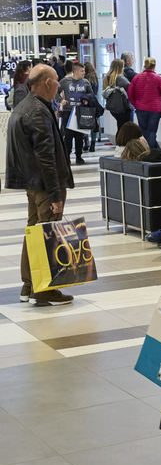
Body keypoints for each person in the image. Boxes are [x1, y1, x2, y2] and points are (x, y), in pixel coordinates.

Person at [5, 64, 74, 307]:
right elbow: (46, 156)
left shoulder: (24, 106)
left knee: (34, 230)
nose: (59, 85)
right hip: (44, 185)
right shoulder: (38, 111)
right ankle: (45, 288)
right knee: (47, 233)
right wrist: (55, 193)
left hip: (32, 183)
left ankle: (29, 284)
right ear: (46, 82)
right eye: (56, 80)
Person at [127, 58, 161, 149]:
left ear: (144, 65)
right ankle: (151, 151)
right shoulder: (158, 78)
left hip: (140, 108)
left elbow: (130, 92)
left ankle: (145, 150)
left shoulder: (137, 77)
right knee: (152, 131)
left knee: (143, 131)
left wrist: (135, 103)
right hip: (155, 109)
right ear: (154, 66)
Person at [58, 62, 94, 165]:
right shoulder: (65, 81)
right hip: (68, 112)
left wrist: (87, 100)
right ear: (75, 72)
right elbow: (56, 91)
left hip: (81, 111)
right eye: (82, 71)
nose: (84, 73)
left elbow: (91, 94)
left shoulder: (86, 82)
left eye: (84, 71)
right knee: (68, 136)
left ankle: (79, 156)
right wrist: (61, 100)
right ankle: (67, 156)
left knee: (80, 136)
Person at [103, 59, 132, 131]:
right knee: (126, 128)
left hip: (113, 107)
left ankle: (119, 141)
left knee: (120, 126)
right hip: (123, 106)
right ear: (119, 67)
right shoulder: (120, 78)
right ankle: (123, 142)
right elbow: (131, 86)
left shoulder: (108, 77)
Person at [83, 61, 99, 153]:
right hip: (94, 102)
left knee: (85, 123)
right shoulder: (95, 78)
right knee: (94, 124)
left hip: (85, 102)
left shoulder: (84, 80)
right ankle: (93, 144)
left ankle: (86, 142)